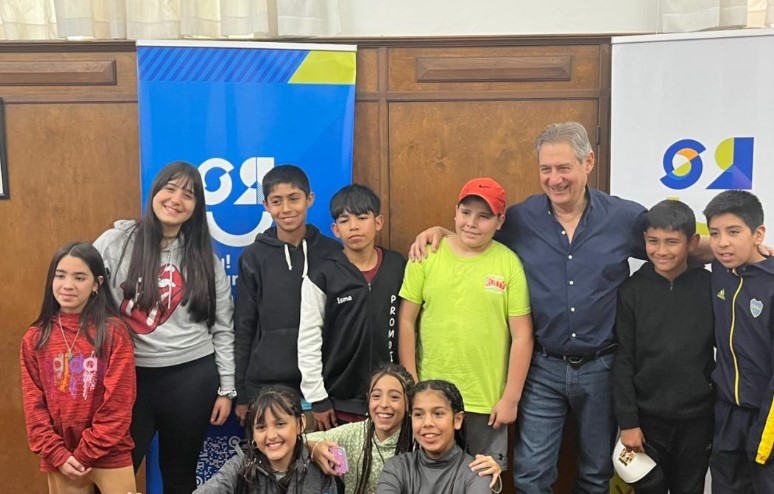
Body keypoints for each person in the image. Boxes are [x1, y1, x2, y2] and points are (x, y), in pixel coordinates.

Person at [411, 122, 650, 493]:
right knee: (531, 474)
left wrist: (726, 251)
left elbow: (672, 243)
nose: (555, 179)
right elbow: (475, 234)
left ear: (588, 162)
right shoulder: (522, 219)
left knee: (595, 473)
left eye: (563, 167)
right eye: (546, 169)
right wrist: (442, 232)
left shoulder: (624, 218)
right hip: (543, 368)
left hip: (602, 368)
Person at [93, 161, 235, 494]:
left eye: (188, 194)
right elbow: (87, 292)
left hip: (192, 379)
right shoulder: (116, 241)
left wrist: (226, 388)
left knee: (180, 476)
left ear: (197, 206)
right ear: (154, 192)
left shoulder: (204, 258)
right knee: (114, 476)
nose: (176, 199)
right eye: (169, 188)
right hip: (127, 379)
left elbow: (223, 326)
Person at [399, 177, 533, 470]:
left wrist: (510, 398)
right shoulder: (427, 255)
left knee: (482, 482)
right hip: (432, 398)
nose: (472, 223)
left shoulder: (509, 263)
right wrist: (411, 383)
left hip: (486, 402)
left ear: (500, 221)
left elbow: (522, 336)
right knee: (427, 481)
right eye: (466, 212)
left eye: (484, 216)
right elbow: (406, 322)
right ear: (455, 212)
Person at [612, 199, 715, 494]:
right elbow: (624, 359)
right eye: (653, 241)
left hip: (697, 420)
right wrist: (628, 421)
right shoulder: (631, 290)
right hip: (646, 421)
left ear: (692, 242)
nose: (661, 250)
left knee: (690, 488)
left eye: (672, 242)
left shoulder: (708, 286)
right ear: (644, 239)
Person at [20, 241, 137, 494]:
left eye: (79, 277)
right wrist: (58, 454)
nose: (68, 285)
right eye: (60, 276)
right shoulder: (35, 337)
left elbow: (119, 403)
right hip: (61, 458)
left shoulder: (114, 332)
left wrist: (87, 453)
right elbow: (33, 406)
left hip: (110, 453)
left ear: (96, 285)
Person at [234, 164, 341, 425]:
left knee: (320, 462)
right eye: (276, 201)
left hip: (323, 387)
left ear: (309, 199)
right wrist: (243, 394)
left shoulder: (334, 253)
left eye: (294, 199)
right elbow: (244, 326)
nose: (286, 209)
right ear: (266, 205)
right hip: (266, 387)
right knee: (271, 462)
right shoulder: (253, 257)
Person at [298, 184, 406, 430]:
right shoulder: (322, 274)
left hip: (389, 397)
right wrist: (318, 398)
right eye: (345, 220)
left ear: (378, 222)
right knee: (341, 467)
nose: (354, 226)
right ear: (335, 230)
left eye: (362, 217)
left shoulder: (397, 266)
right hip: (339, 401)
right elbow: (308, 338)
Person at [306, 364, 501, 494]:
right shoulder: (395, 464)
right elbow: (294, 440)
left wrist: (493, 472)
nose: (427, 423)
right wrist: (313, 448)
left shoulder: (419, 440)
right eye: (376, 396)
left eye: (394, 397)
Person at [703, 190, 774, 493]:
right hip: (727, 412)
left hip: (767, 414)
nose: (722, 243)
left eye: (734, 232)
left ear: (758, 234)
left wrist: (765, 426)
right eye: (715, 233)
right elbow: (684, 245)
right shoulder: (721, 267)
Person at [194, 386, 339, 494]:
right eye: (261, 427)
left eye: (280, 424)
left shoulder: (319, 468)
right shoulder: (241, 465)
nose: (271, 435)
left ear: (300, 424)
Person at [376, 380, 496, 494]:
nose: (427, 423)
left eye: (438, 414)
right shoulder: (397, 467)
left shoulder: (477, 470)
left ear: (457, 420)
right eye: (418, 414)